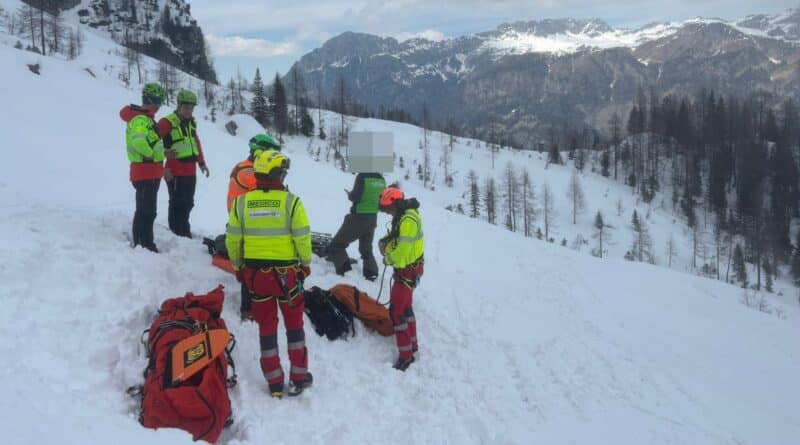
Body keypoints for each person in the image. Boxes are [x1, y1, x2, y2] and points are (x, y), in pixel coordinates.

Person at [225, 151, 314, 397]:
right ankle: (298, 378)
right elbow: (303, 238)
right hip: (287, 277)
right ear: (279, 174)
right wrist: (305, 264)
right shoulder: (291, 202)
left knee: (266, 327)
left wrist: (238, 267)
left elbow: (233, 239)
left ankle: (274, 382)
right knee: (294, 327)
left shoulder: (242, 203)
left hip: (256, 277)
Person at [226, 133, 282, 321]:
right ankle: (247, 309)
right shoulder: (248, 171)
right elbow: (263, 191)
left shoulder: (248, 168)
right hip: (244, 223)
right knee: (250, 265)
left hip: (248, 219)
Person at [378, 186, 424, 371]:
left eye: (389, 209)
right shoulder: (406, 216)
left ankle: (406, 356)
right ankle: (412, 345)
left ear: (396, 204)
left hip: (407, 271)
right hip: (409, 270)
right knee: (406, 309)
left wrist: (388, 258)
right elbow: (400, 241)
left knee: (397, 312)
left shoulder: (408, 220)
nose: (388, 213)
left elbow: (404, 249)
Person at [120, 83, 166, 252]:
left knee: (147, 210)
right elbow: (138, 141)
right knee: (146, 210)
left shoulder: (146, 119)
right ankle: (143, 244)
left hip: (150, 172)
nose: (159, 106)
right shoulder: (141, 119)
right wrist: (150, 155)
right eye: (159, 102)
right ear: (153, 101)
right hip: (145, 172)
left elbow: (149, 142)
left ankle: (145, 242)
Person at [157, 89, 209, 238]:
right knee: (177, 202)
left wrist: (202, 163)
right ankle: (177, 233)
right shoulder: (167, 122)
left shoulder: (191, 123)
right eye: (186, 107)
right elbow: (152, 142)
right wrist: (162, 165)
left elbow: (196, 143)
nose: (189, 111)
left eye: (192, 108)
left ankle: (184, 229)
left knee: (188, 202)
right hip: (174, 171)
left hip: (190, 170)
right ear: (179, 105)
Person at [326, 172, 386, 279]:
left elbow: (356, 197)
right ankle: (371, 272)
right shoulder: (381, 180)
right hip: (373, 218)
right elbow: (382, 199)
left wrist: (350, 195)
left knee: (336, 244)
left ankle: (345, 270)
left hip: (359, 217)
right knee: (366, 248)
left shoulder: (362, 176)